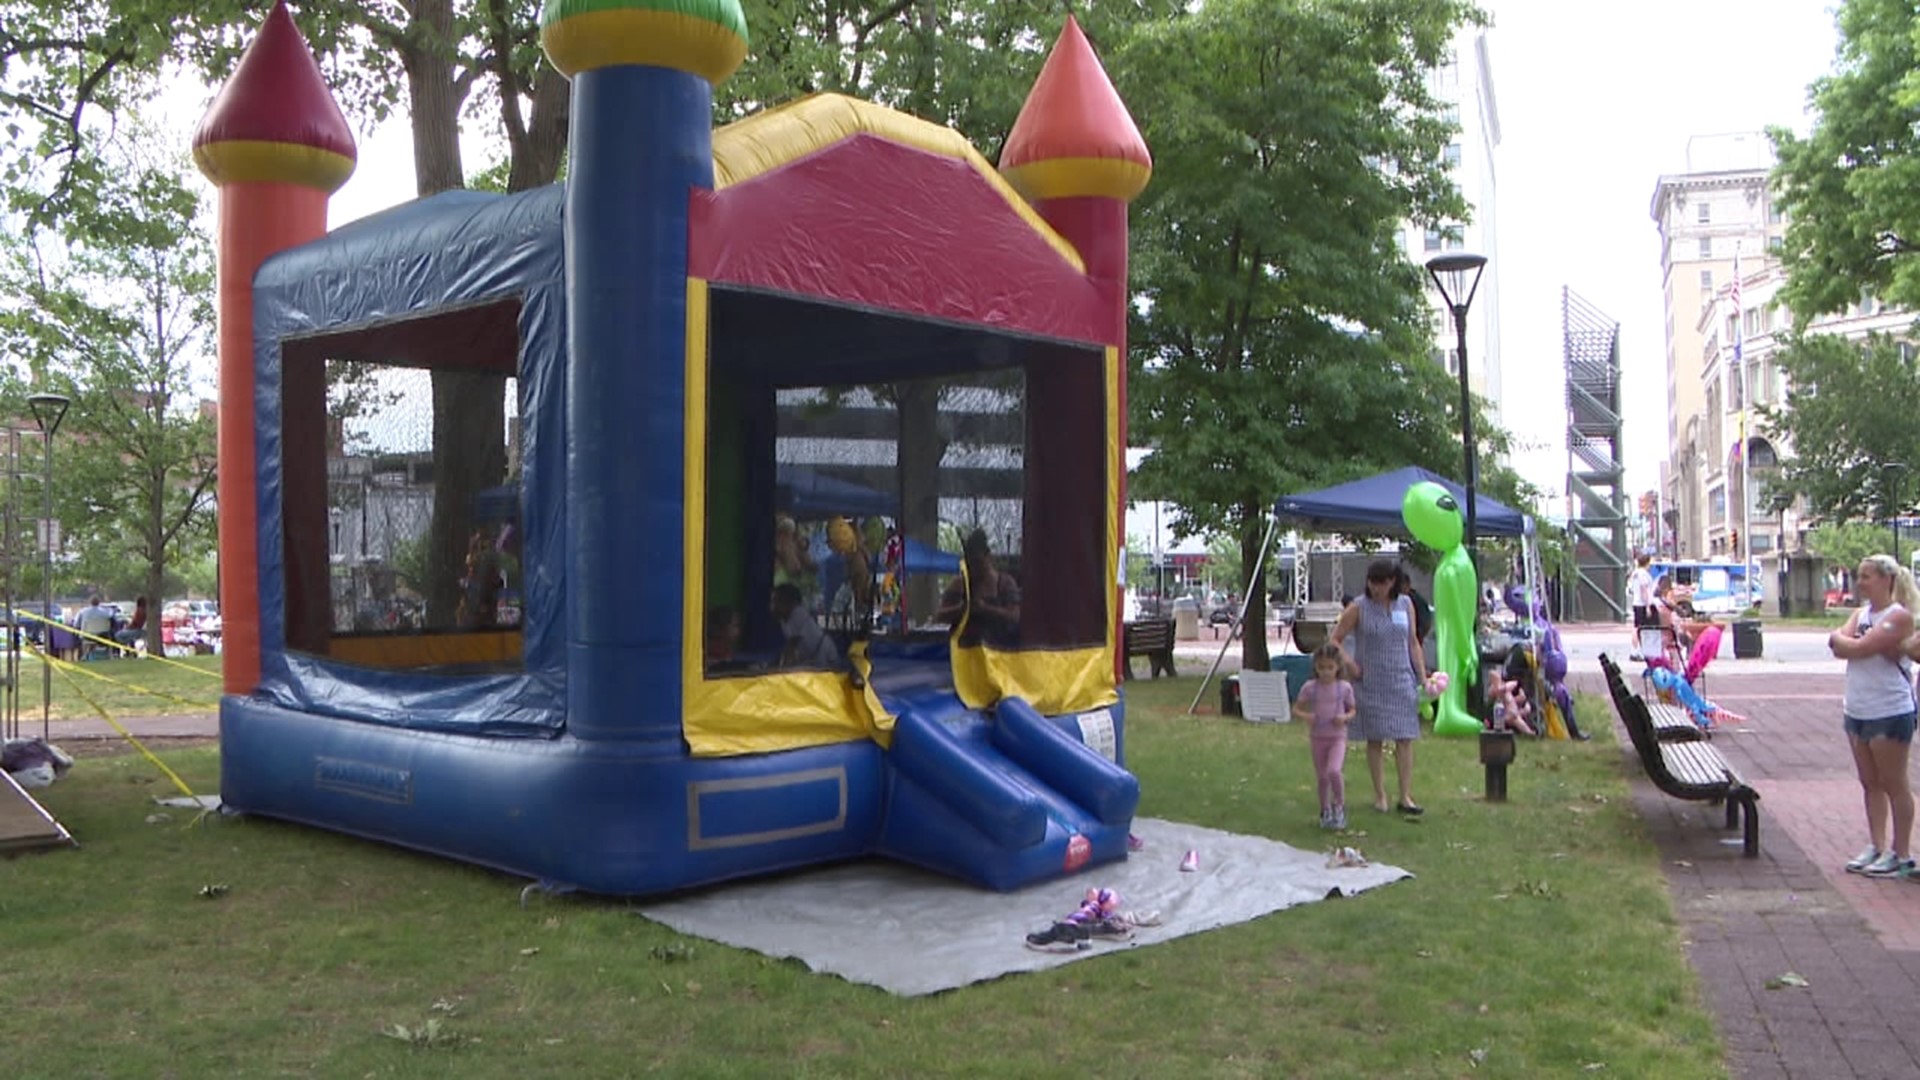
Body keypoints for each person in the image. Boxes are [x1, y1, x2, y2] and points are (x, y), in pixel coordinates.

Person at [1829, 554, 1918, 879]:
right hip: (1858, 707)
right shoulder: (1861, 613)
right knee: (1870, 782)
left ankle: (1902, 853)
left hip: (1889, 708)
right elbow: (1838, 642)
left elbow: (1858, 647)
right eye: (1859, 575)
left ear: (1886, 579)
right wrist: (1844, 640)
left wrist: (1846, 641)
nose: (1860, 581)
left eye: (1867, 576)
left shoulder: (1899, 617)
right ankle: (1877, 845)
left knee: (1894, 782)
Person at [1330, 559, 1430, 815]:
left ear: (1392, 582)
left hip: (1401, 678)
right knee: (1374, 738)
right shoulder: (1359, 607)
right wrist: (1350, 665)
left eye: (1382, 583)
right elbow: (1335, 640)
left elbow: (1413, 643)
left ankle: (1405, 795)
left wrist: (1423, 676)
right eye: (1372, 583)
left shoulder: (1405, 604)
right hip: (1371, 680)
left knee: (1405, 737)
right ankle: (1380, 795)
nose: (1376, 588)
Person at [1291, 642, 1356, 830]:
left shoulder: (1343, 688)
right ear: (1315, 668)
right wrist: (1307, 716)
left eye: (1330, 668)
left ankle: (1339, 806)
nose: (1326, 672)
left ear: (1337, 667)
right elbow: (1297, 708)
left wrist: (1343, 717)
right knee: (1322, 777)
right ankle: (1325, 809)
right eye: (1321, 668)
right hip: (1318, 737)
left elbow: (1353, 709)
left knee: (1334, 770)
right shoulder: (1310, 688)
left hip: (1337, 737)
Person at [936, 529, 1021, 649]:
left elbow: (1015, 617)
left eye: (978, 562)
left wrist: (986, 609)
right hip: (964, 655)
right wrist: (962, 609)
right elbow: (939, 616)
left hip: (997, 655)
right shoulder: (959, 584)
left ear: (988, 557)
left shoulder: (1004, 583)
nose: (974, 568)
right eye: (970, 563)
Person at [772, 583, 840, 670]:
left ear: (791, 602)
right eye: (772, 601)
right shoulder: (784, 618)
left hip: (825, 655)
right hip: (812, 658)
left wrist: (780, 670)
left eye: (778, 601)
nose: (773, 606)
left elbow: (791, 647)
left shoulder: (798, 613)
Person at [1627, 554, 1656, 657]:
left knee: (1637, 627)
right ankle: (1637, 651)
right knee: (1641, 628)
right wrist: (1648, 606)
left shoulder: (1635, 573)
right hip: (1642, 604)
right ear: (1647, 562)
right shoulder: (1643, 574)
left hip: (1636, 603)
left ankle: (1635, 650)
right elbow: (1644, 590)